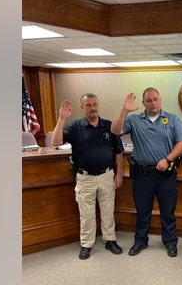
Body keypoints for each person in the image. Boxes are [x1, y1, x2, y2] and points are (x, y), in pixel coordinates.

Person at [111, 87, 182, 257]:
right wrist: (124, 110)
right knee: (142, 209)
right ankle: (140, 240)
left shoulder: (173, 119)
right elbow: (115, 130)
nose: (153, 103)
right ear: (143, 103)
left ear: (160, 100)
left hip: (166, 174)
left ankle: (170, 241)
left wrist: (167, 159)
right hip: (142, 174)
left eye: (156, 99)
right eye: (149, 100)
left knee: (168, 210)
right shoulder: (134, 120)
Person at [50, 94, 124, 260]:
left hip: (107, 175)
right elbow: (55, 142)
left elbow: (118, 152)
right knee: (86, 214)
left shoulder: (109, 126)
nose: (93, 108)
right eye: (88, 105)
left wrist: (119, 174)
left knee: (108, 211)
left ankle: (110, 240)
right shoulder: (75, 126)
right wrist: (61, 119)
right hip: (85, 178)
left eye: (95, 104)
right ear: (82, 108)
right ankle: (86, 244)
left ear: (98, 105)